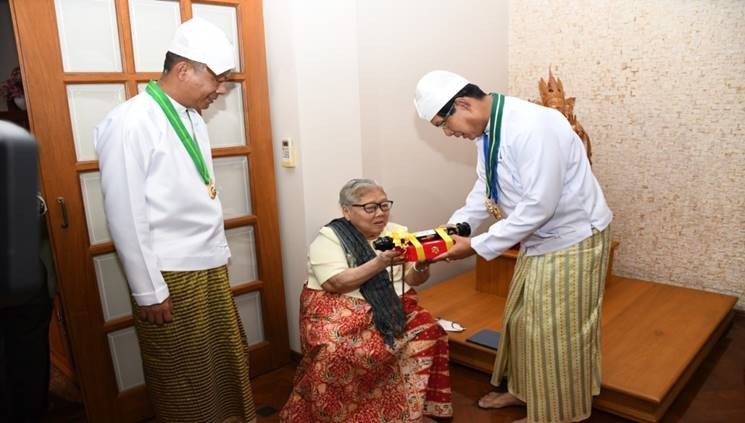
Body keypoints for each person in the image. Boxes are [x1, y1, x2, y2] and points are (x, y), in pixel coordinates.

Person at [414, 71, 613, 423]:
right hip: (538, 238)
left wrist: (475, 245)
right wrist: (454, 230)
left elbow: (539, 206)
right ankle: (525, 392)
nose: (447, 133)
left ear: (463, 104)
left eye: (444, 124)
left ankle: (558, 415)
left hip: (572, 237)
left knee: (557, 333)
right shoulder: (489, 130)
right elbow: (485, 188)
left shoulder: (534, 126)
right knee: (521, 322)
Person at [94, 18, 256, 422]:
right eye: (217, 79)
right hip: (169, 273)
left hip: (206, 264)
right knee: (182, 373)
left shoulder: (191, 117)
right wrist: (148, 290)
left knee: (222, 360)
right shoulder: (131, 121)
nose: (221, 90)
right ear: (184, 69)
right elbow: (124, 213)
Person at [279, 179, 453, 422]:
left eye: (384, 205)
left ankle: (407, 409)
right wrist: (380, 262)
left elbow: (412, 278)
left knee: (430, 329)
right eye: (370, 208)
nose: (380, 213)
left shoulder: (398, 233)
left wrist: (423, 264)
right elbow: (336, 283)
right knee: (334, 350)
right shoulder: (330, 238)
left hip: (390, 303)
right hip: (340, 304)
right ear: (347, 211)